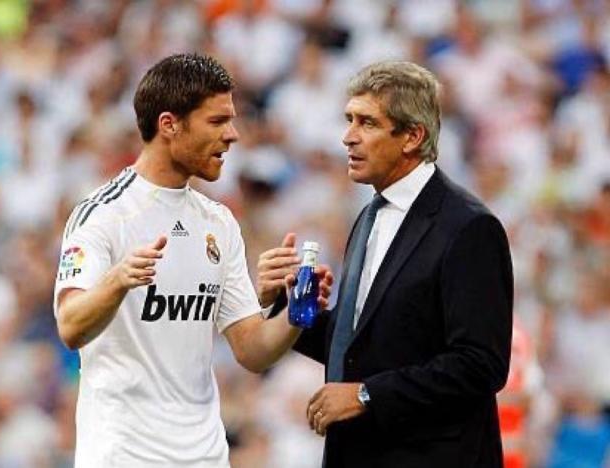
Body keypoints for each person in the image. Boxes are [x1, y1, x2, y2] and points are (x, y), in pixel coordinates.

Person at [53, 53, 333, 468]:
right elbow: (70, 326)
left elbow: (252, 350)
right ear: (169, 124)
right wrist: (117, 281)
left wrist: (295, 311)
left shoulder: (218, 222)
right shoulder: (105, 214)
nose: (232, 135)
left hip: (205, 456)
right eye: (217, 121)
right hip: (125, 456)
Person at [260, 60, 514, 467]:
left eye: (367, 123)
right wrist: (283, 304)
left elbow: (480, 364)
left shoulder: (469, 227)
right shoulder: (369, 215)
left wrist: (367, 395)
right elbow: (359, 349)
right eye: (349, 120)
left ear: (412, 136)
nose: (348, 136)